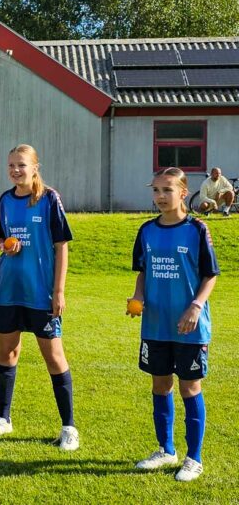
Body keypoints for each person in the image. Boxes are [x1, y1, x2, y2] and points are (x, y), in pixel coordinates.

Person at [0, 144, 78, 451]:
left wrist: (59, 291)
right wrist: (4, 246)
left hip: (41, 293)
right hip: (8, 289)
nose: (15, 170)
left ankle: (69, 427)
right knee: (7, 352)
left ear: (36, 167)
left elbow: (62, 245)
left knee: (53, 356)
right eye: (11, 165)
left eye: (21, 165)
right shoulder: (5, 200)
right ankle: (3, 419)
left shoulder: (49, 199)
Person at [130, 167, 218, 482]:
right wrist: (137, 296)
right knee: (160, 385)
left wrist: (196, 307)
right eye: (155, 190)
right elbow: (142, 270)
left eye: (167, 190)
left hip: (189, 327)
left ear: (183, 192)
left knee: (189, 387)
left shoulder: (197, 229)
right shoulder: (146, 230)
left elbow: (210, 275)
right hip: (155, 325)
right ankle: (166, 450)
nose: (160, 197)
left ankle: (194, 458)